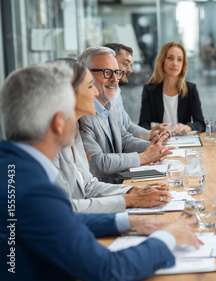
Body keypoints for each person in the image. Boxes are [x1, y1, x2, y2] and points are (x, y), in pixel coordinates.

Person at [0, 61, 200, 281]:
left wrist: (129, 222)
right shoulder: (31, 190)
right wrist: (168, 237)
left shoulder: (13, 169)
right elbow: (108, 270)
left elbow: (60, 218)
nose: (95, 92)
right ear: (59, 123)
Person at [53, 58, 172, 213]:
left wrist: (133, 191)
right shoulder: (48, 141)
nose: (95, 91)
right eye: (90, 86)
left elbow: (89, 186)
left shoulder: (73, 128)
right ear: (70, 92)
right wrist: (130, 199)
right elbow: (63, 209)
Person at [78, 46, 173, 183]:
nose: (114, 79)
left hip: (121, 182)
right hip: (103, 190)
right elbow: (98, 162)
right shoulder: (83, 114)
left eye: (116, 72)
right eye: (107, 72)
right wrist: (145, 157)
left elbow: (123, 139)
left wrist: (154, 148)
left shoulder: (111, 105)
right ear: (86, 75)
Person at [103, 43, 168, 140]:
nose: (130, 70)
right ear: (110, 63)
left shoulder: (117, 92)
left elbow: (127, 126)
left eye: (130, 65)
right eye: (125, 64)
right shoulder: (101, 98)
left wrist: (150, 134)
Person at [139, 42, 205, 134]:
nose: (175, 63)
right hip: (159, 141)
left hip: (184, 142)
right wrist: (153, 131)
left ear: (183, 64)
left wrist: (188, 127)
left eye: (179, 59)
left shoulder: (191, 89)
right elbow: (143, 123)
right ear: (162, 61)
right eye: (170, 58)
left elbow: (200, 123)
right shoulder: (149, 90)